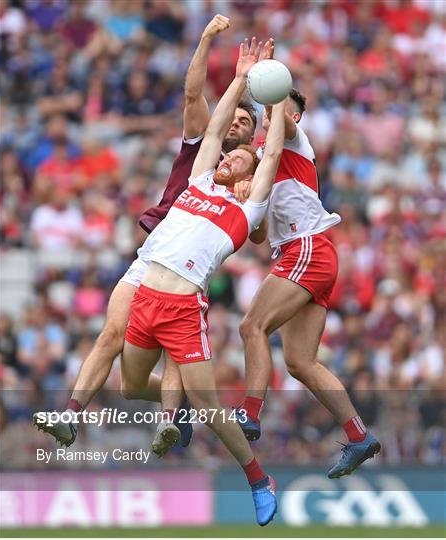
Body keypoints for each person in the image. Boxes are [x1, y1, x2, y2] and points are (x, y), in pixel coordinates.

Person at [33, 16, 270, 447]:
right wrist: (204, 41)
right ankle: (73, 414)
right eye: (232, 118)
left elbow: (256, 236)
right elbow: (193, 92)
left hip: (188, 272)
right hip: (152, 256)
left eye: (245, 123)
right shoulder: (202, 147)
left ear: (254, 139)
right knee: (113, 344)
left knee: (174, 359)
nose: (235, 125)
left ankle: (174, 417)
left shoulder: (250, 181)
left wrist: (252, 189)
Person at [121, 37, 284, 527]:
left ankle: (258, 478)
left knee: (215, 408)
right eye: (227, 157)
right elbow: (212, 129)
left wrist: (273, 102)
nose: (228, 157)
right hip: (147, 297)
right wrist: (238, 77)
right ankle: (183, 408)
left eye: (239, 161)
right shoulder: (198, 181)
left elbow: (271, 152)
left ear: (249, 179)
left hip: (183, 309)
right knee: (130, 388)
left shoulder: (245, 207)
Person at [235, 90, 381, 479]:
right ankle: (359, 435)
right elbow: (258, 236)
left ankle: (249, 414)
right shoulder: (263, 165)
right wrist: (250, 198)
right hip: (302, 253)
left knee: (252, 326)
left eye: (276, 110)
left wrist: (272, 90)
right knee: (300, 361)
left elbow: (280, 120)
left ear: (293, 117)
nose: (269, 116)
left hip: (308, 248)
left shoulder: (295, 141)